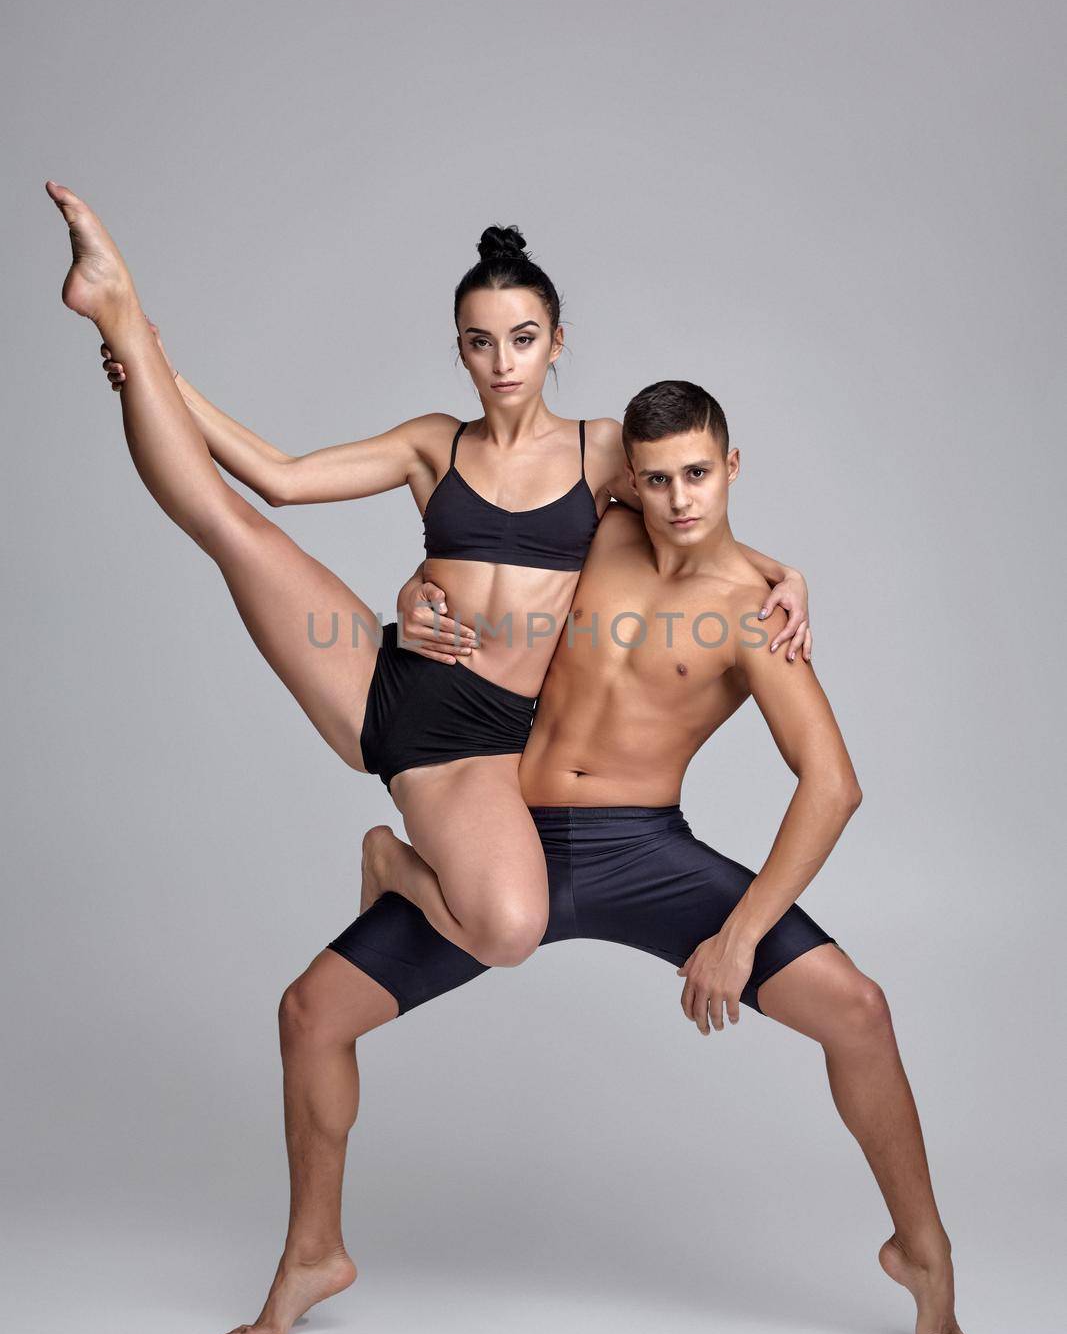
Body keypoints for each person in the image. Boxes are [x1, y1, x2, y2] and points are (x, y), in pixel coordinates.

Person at [218, 381, 977, 1334]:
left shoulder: (751, 614)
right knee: (309, 1014)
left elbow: (830, 786)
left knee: (859, 1011)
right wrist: (413, 593)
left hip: (641, 854)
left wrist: (736, 936)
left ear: (731, 468)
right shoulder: (598, 527)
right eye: (655, 478)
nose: (676, 499)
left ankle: (922, 1254)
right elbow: (485, 537)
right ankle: (313, 1251)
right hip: (503, 832)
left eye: (697, 474)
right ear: (629, 478)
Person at [48, 179, 811, 970]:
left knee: (509, 932)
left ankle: (388, 863)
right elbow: (279, 475)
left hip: (475, 741)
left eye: (521, 339)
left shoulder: (602, 450)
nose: (502, 362)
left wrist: (779, 571)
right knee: (229, 525)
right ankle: (118, 311)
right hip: (381, 677)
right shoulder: (433, 442)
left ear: (555, 341)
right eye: (480, 342)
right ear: (459, 349)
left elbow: (682, 523)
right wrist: (157, 371)